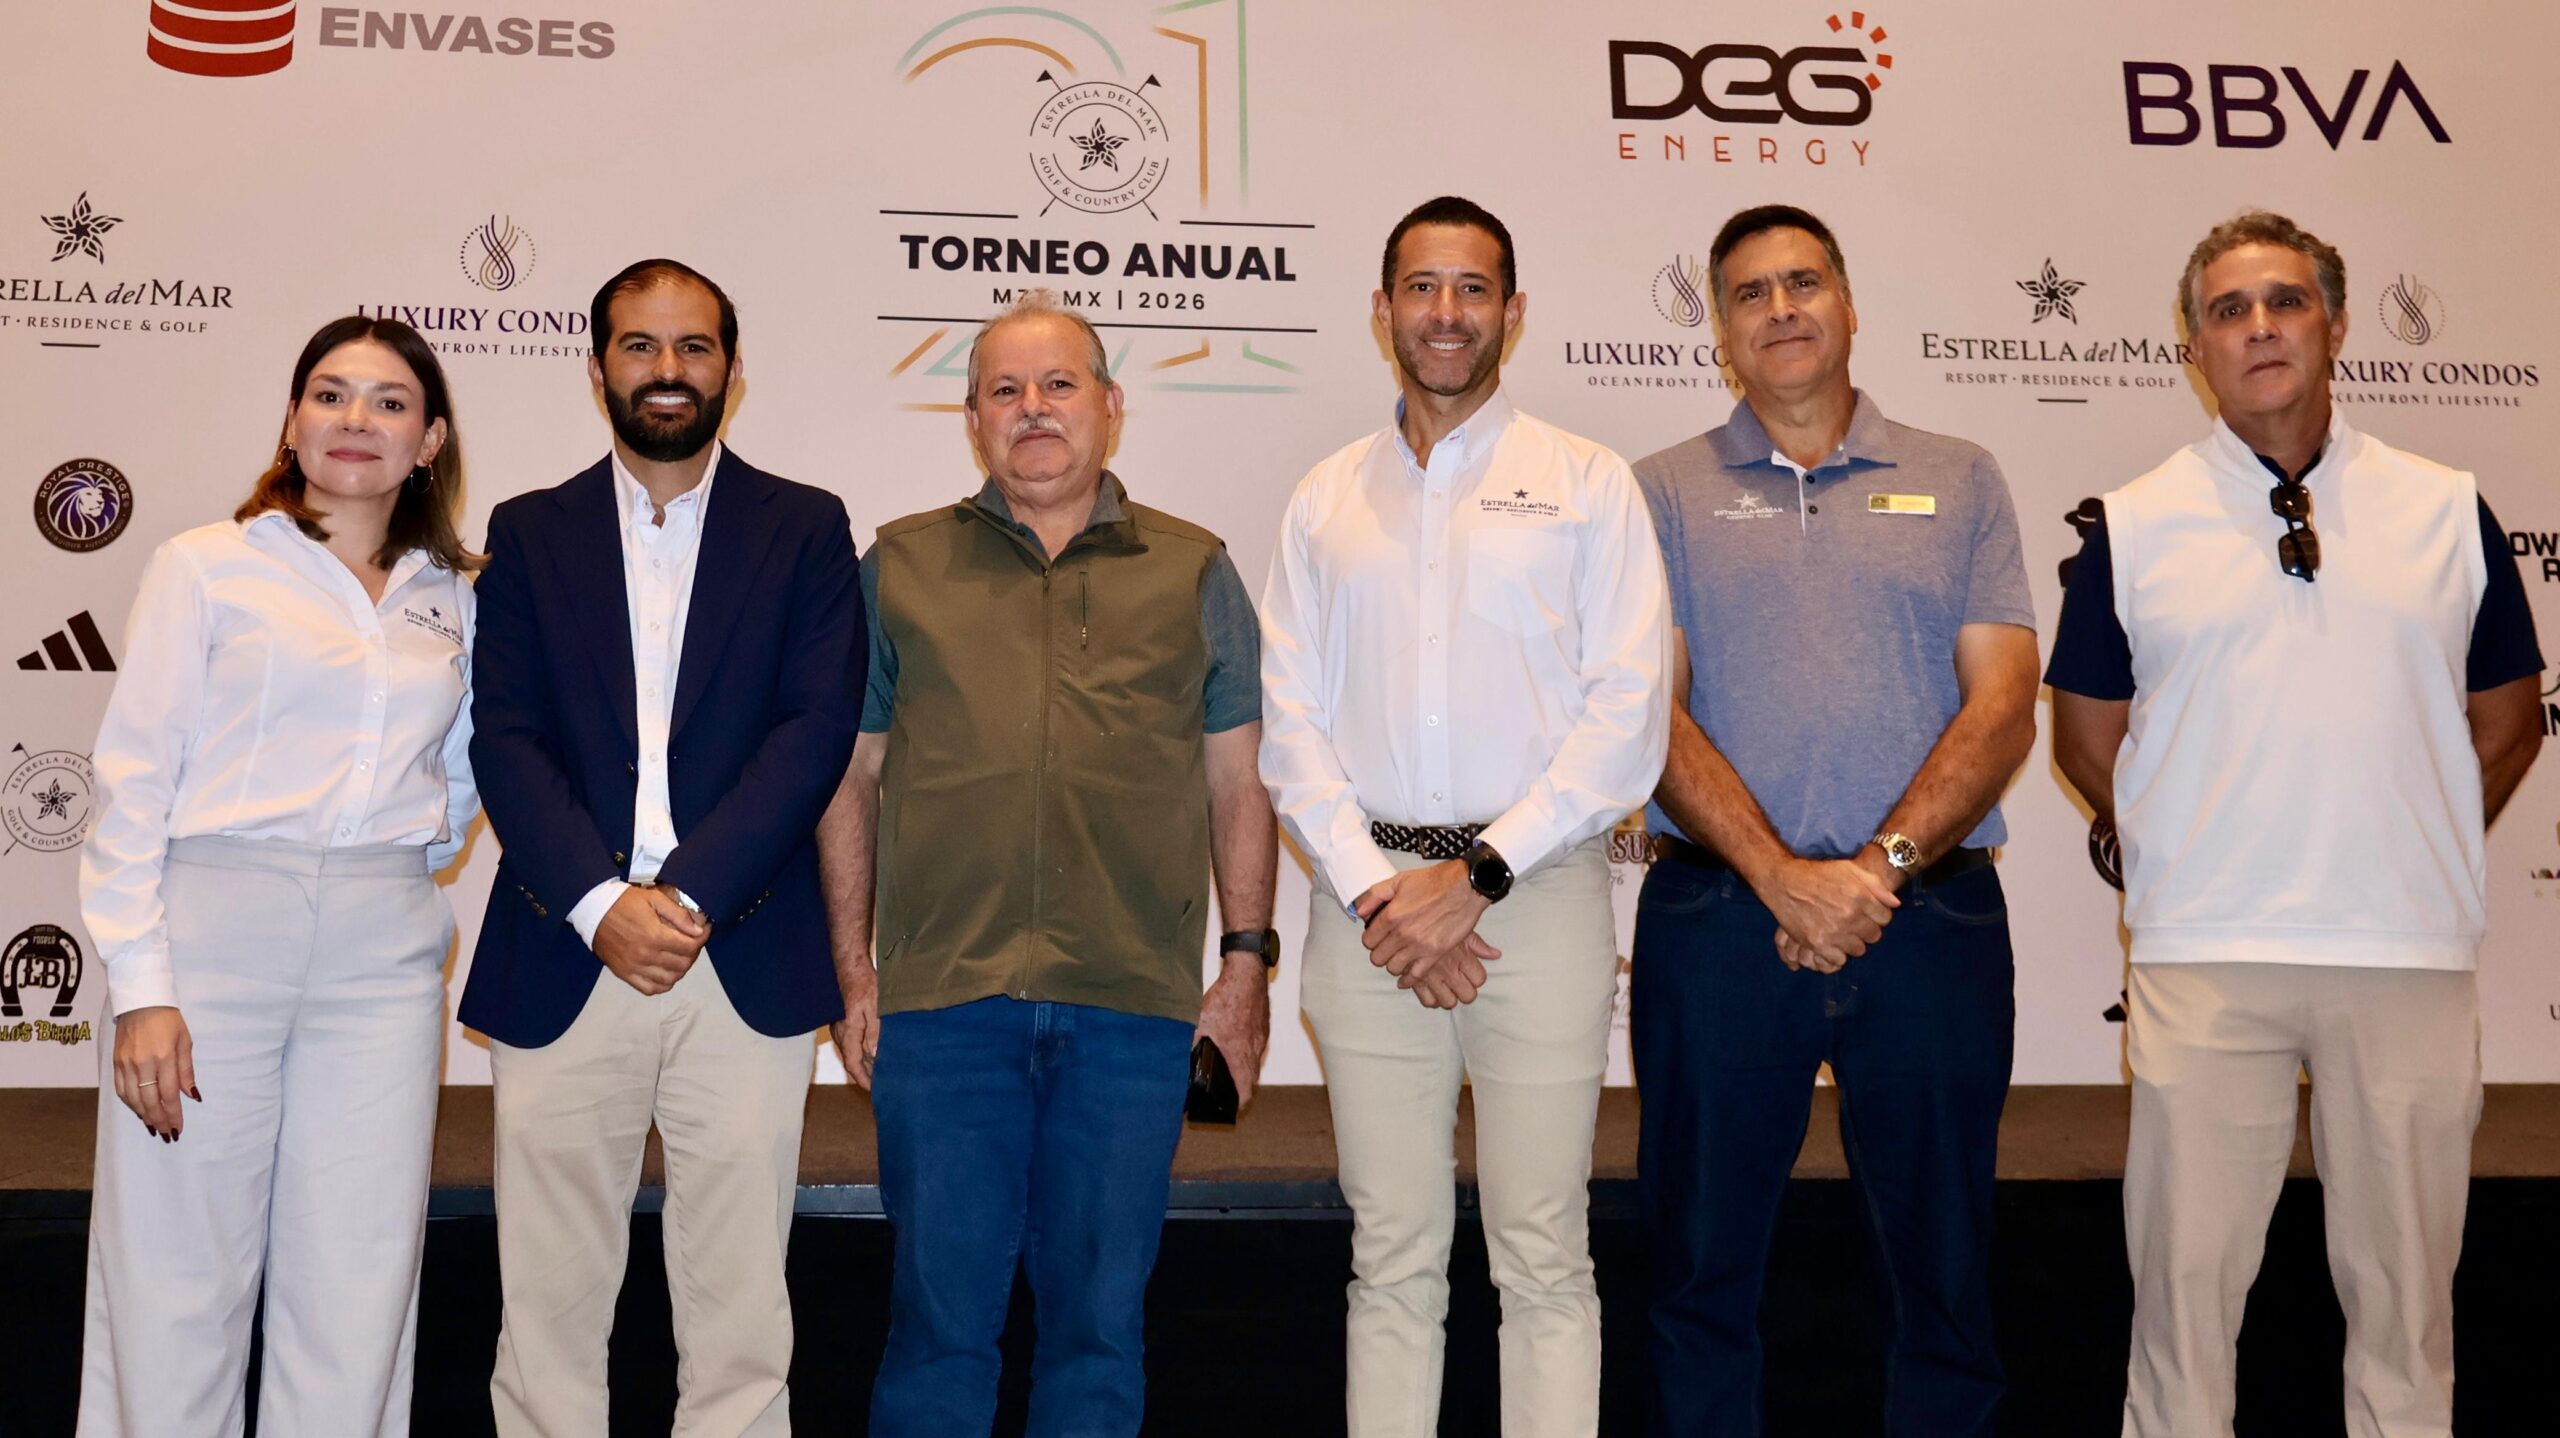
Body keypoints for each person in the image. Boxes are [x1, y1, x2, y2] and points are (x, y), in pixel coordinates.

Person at [2047, 210, 2543, 1438]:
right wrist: (2184, 846)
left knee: (2405, 1312)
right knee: (2181, 1305)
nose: (2258, 327)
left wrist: (2412, 836)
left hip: (2404, 954)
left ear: (2335, 324)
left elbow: (2506, 718)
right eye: (2228, 310)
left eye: (2285, 301)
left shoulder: (2447, 508)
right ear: (2193, 346)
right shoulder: (2132, 522)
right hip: (2205, 955)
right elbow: (2087, 737)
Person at [818, 290, 1276, 1437]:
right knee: (936, 1336)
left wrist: (1245, 969)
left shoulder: (1195, 569)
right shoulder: (900, 565)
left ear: (1111, 406)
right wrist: (855, 971)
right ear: (972, 418)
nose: (1033, 408)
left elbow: (1238, 785)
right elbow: (850, 779)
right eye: (1005, 390)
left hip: (1129, 1015)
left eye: (1059, 384)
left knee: (1096, 1338)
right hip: (943, 1013)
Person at [1259, 196, 1670, 1437]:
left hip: (1533, 900)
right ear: (1381, 310)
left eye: (1472, 288)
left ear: (1513, 311)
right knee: (1390, 1252)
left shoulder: (1588, 483)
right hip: (1368, 911)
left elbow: (1626, 716)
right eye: (1422, 287)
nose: (1446, 313)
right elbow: (1291, 723)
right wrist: (1384, 893)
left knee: (1543, 1250)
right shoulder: (1324, 498)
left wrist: (1475, 879)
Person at [1629, 204, 2041, 1437]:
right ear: (1719, 330)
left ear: (1849, 304)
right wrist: (1779, 876)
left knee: (1945, 1270)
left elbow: (2003, 704)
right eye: (1749, 293)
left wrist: (1875, 870)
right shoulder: (1658, 491)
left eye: (1802, 282)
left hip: (1928, 920)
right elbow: (1648, 710)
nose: (1781, 310)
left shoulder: (1961, 475)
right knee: (1698, 1268)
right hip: (1719, 916)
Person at [459, 259, 864, 1436]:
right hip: (564, 948)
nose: (668, 369)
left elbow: (813, 732)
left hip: (739, 951)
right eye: (640, 345)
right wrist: (602, 903)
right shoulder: (528, 532)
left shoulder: (805, 526)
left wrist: (681, 898)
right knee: (546, 1307)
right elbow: (505, 736)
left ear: (732, 370)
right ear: (598, 371)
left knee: (740, 1314)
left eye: (694, 346)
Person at [78, 314, 480, 1435]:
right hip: (213, 937)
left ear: (429, 441)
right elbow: (133, 785)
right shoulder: (206, 566)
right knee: (177, 1273)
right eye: (330, 394)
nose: (357, 419)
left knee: (359, 1275)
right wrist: (144, 987)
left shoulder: (457, 594)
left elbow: (455, 779)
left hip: (381, 947)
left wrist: (381, 874)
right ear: (294, 420)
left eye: (391, 402)